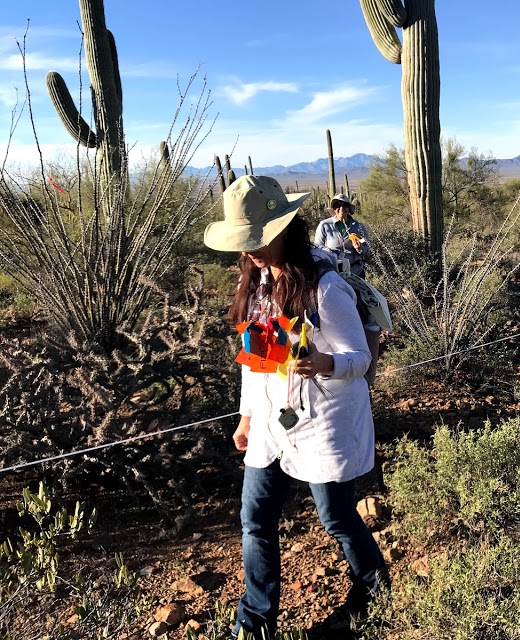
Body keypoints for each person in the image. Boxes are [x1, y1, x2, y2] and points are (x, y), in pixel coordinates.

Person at [203, 175, 387, 638]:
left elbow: (359, 359)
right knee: (255, 519)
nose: (249, 253)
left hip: (324, 420)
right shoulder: (259, 283)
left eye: (257, 241)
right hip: (270, 422)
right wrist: (246, 417)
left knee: (337, 516)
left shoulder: (325, 287)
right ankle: (256, 621)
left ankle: (374, 593)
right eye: (244, 243)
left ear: (284, 230)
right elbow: (254, 363)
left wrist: (323, 361)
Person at [314, 193, 371, 278]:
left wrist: (361, 249)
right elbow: (317, 246)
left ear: (348, 208)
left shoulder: (358, 226)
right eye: (338, 205)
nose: (341, 208)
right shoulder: (325, 225)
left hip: (355, 272)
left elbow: (368, 247)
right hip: (332, 273)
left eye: (345, 205)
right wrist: (326, 250)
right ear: (333, 208)